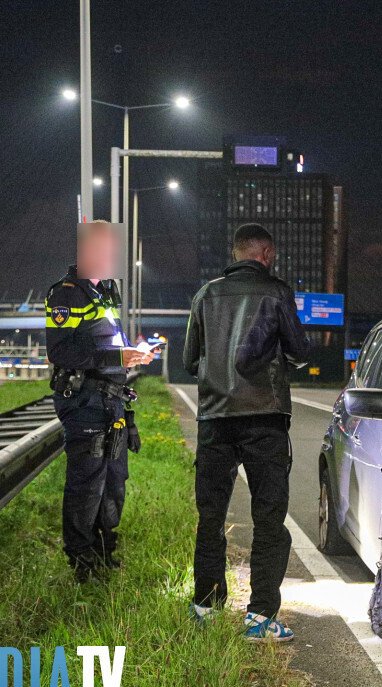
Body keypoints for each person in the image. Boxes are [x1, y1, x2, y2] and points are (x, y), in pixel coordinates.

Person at [182, 223, 310, 642]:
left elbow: (189, 360)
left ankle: (206, 606)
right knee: (268, 518)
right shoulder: (276, 293)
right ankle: (259, 618)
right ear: (267, 254)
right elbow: (298, 351)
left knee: (211, 515)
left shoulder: (205, 294)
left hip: (215, 420)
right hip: (264, 417)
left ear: (236, 252)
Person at [46, 221, 153, 583]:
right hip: (85, 402)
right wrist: (119, 358)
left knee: (113, 482)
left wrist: (130, 356)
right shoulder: (67, 294)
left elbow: (108, 346)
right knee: (86, 485)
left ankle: (104, 552)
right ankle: (81, 561)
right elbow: (61, 350)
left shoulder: (103, 292)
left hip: (111, 403)